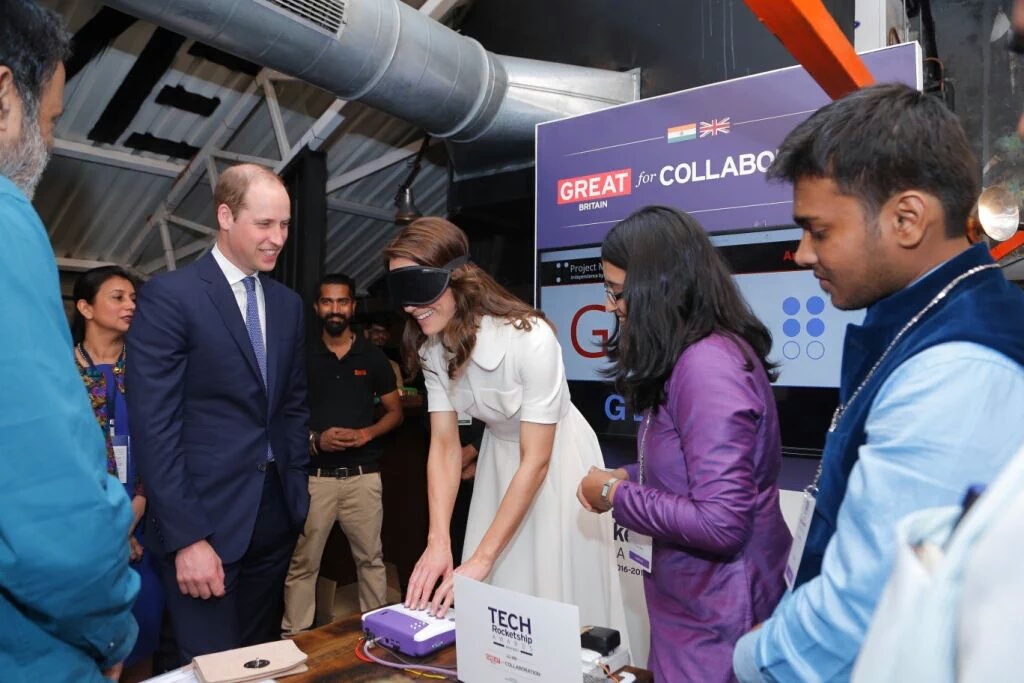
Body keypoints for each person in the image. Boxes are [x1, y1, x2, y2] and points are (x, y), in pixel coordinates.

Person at [732, 83, 1024, 681]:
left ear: (907, 219)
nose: (802, 253)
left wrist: (754, 657)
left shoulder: (957, 368)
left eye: (818, 230)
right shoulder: (927, 317)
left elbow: (865, 608)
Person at [576, 206, 791, 683]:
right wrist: (629, 475)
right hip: (696, 603)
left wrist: (615, 495)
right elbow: (694, 468)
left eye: (616, 291)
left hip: (721, 612)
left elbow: (720, 523)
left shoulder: (706, 366)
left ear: (657, 287)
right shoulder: (693, 356)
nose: (611, 306)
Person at [385, 217, 628, 638]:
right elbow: (443, 447)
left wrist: (483, 557)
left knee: (549, 590)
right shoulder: (432, 352)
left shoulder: (530, 339)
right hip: (500, 460)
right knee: (496, 598)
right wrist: (438, 539)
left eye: (417, 288)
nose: (410, 307)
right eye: (399, 292)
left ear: (458, 277)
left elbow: (536, 459)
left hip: (555, 462)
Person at [0, 2, 139, 681]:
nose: (47, 145)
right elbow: (53, 519)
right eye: (49, 119)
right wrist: (112, 631)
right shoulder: (6, 224)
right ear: (3, 96)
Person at [127, 164, 311, 662]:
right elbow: (154, 428)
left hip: (275, 517)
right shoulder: (172, 297)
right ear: (225, 215)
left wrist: (298, 494)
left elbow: (291, 406)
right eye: (265, 224)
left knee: (255, 660)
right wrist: (188, 538)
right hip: (204, 523)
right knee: (204, 661)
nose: (278, 239)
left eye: (285, 225)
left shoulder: (288, 305)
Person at [282, 273, 403, 634]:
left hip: (363, 479)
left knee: (371, 561)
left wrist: (367, 432)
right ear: (318, 307)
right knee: (303, 565)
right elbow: (283, 417)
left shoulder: (373, 357)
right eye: (327, 302)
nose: (335, 309)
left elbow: (395, 412)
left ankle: (379, 638)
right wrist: (317, 440)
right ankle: (296, 640)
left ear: (352, 306)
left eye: (342, 301)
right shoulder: (301, 357)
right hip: (315, 481)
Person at [72, 266, 166, 678]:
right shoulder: (59, 374)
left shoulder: (150, 368)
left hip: (145, 523)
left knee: (144, 628)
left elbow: (163, 441)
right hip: (81, 529)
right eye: (117, 297)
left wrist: (136, 511)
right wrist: (112, 528)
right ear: (85, 307)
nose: (131, 305)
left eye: (133, 298)